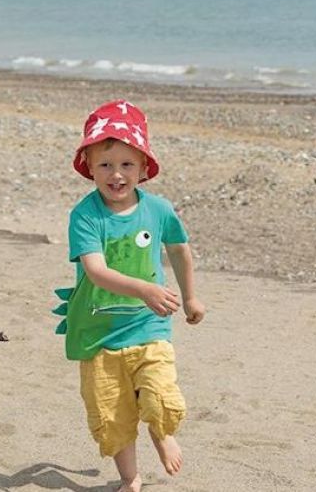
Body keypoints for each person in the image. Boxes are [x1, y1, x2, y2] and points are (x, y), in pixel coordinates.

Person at [54, 100, 205, 492]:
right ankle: (130, 478)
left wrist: (190, 298)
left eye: (126, 164)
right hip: (98, 333)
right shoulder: (85, 216)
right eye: (105, 164)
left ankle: (162, 432)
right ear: (88, 165)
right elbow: (96, 271)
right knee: (113, 413)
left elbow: (179, 249)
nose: (116, 175)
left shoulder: (158, 209)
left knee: (157, 393)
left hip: (148, 325)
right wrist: (144, 288)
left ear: (142, 167)